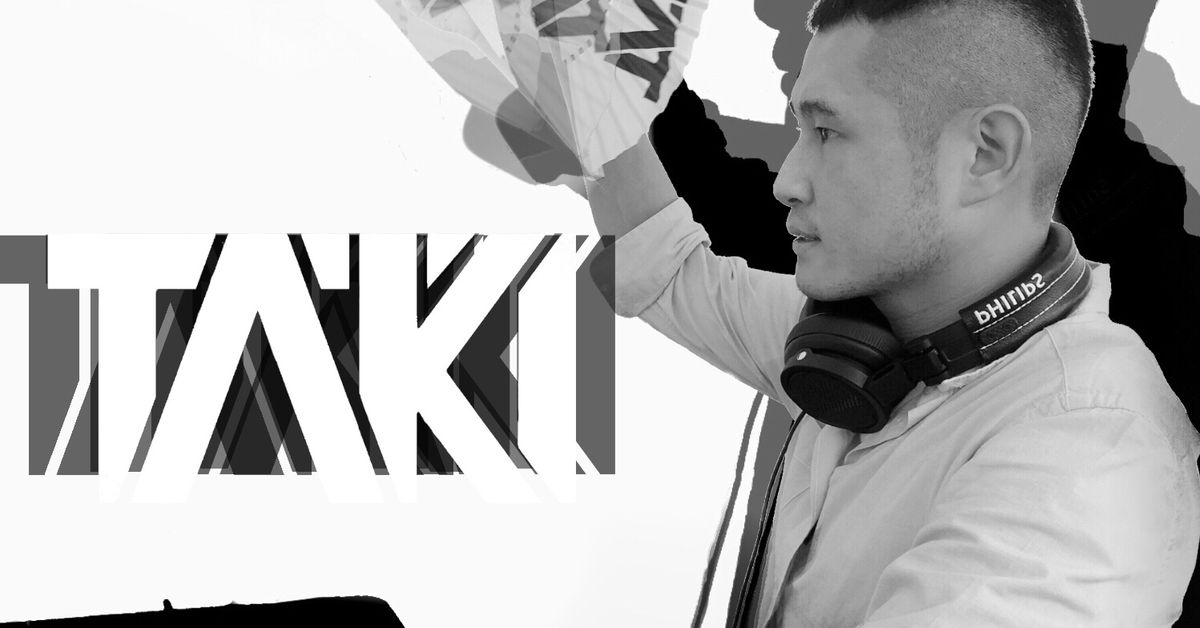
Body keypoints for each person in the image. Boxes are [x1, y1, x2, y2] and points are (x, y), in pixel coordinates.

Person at [583, 0, 1200, 625]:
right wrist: (585, 76)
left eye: (827, 132)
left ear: (985, 154)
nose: (786, 181)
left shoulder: (1085, 461)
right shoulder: (877, 331)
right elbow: (668, 271)